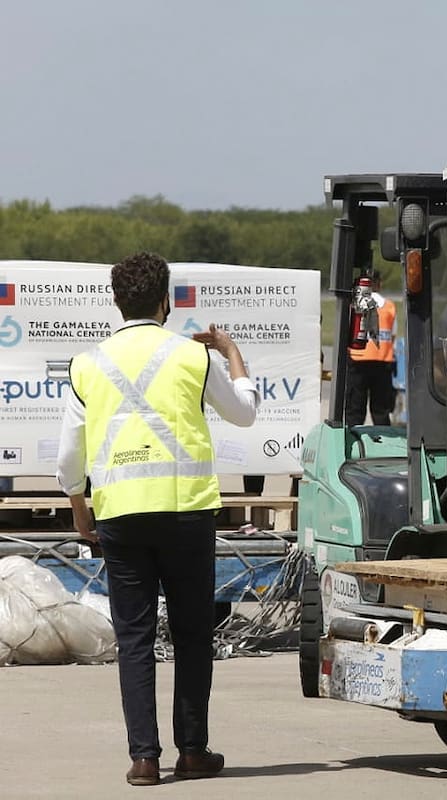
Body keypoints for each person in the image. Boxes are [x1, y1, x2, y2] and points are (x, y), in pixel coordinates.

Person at [56, 252, 258, 786]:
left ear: (117, 300)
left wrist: (79, 509)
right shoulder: (193, 357)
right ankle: (192, 750)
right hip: (186, 512)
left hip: (121, 516)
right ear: (165, 300)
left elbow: (70, 456)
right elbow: (244, 412)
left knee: (135, 637)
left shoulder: (87, 364)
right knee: (192, 634)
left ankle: (144, 758)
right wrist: (231, 352)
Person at [346, 269, 397, 427]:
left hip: (357, 360)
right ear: (379, 284)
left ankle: (354, 436)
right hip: (382, 362)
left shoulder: (355, 304)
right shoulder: (389, 306)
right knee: (381, 411)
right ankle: (383, 439)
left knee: (355, 410)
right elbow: (393, 335)